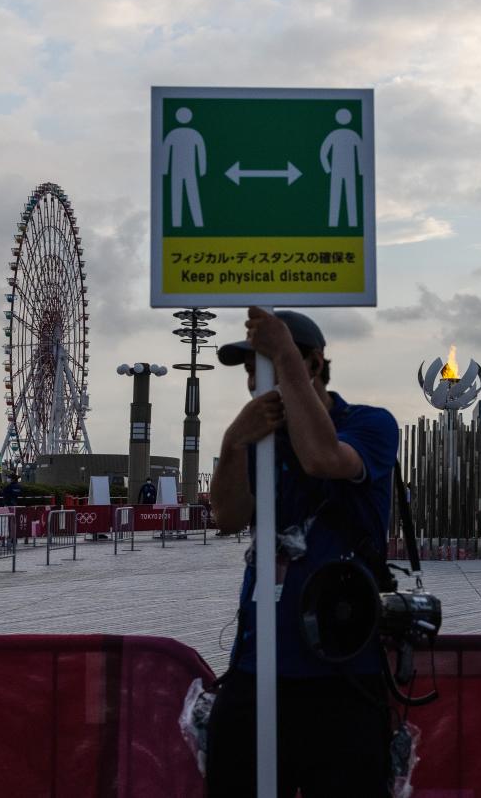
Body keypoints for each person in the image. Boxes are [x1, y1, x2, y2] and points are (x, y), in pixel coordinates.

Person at [205, 307, 398, 797]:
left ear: (312, 364)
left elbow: (323, 457)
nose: (253, 378)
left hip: (343, 671)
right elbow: (226, 517)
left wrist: (283, 352)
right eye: (250, 368)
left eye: (261, 363)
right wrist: (233, 442)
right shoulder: (257, 439)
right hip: (256, 666)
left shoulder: (370, 425)